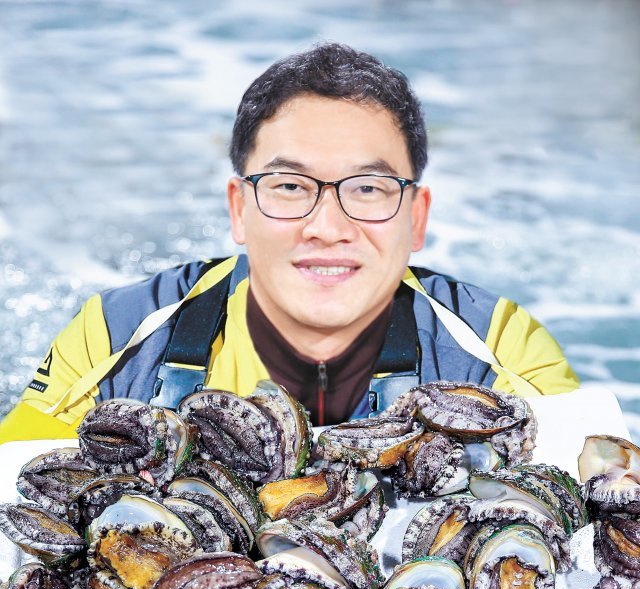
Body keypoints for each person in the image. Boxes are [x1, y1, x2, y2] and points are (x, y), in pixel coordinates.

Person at [0, 43, 578, 444]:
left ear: (416, 217)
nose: (328, 227)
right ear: (239, 210)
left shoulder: (502, 353)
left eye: (370, 188)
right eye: (290, 186)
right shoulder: (113, 338)